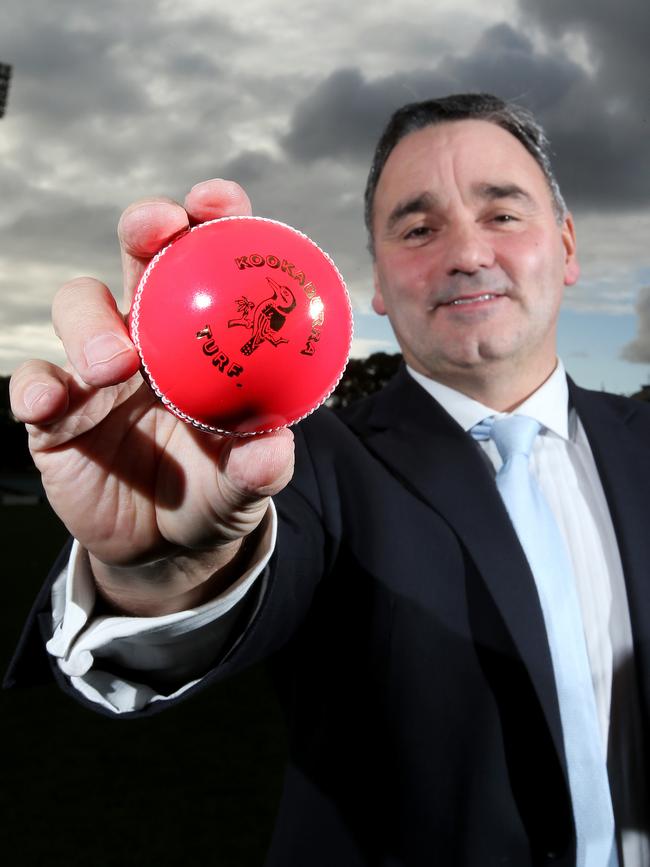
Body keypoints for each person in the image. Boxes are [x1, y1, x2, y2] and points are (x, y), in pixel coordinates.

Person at [7, 93, 650, 866]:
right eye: (418, 228)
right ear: (376, 282)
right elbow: (251, 563)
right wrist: (162, 570)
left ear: (568, 245)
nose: (467, 254)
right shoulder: (304, 461)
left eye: (504, 215)